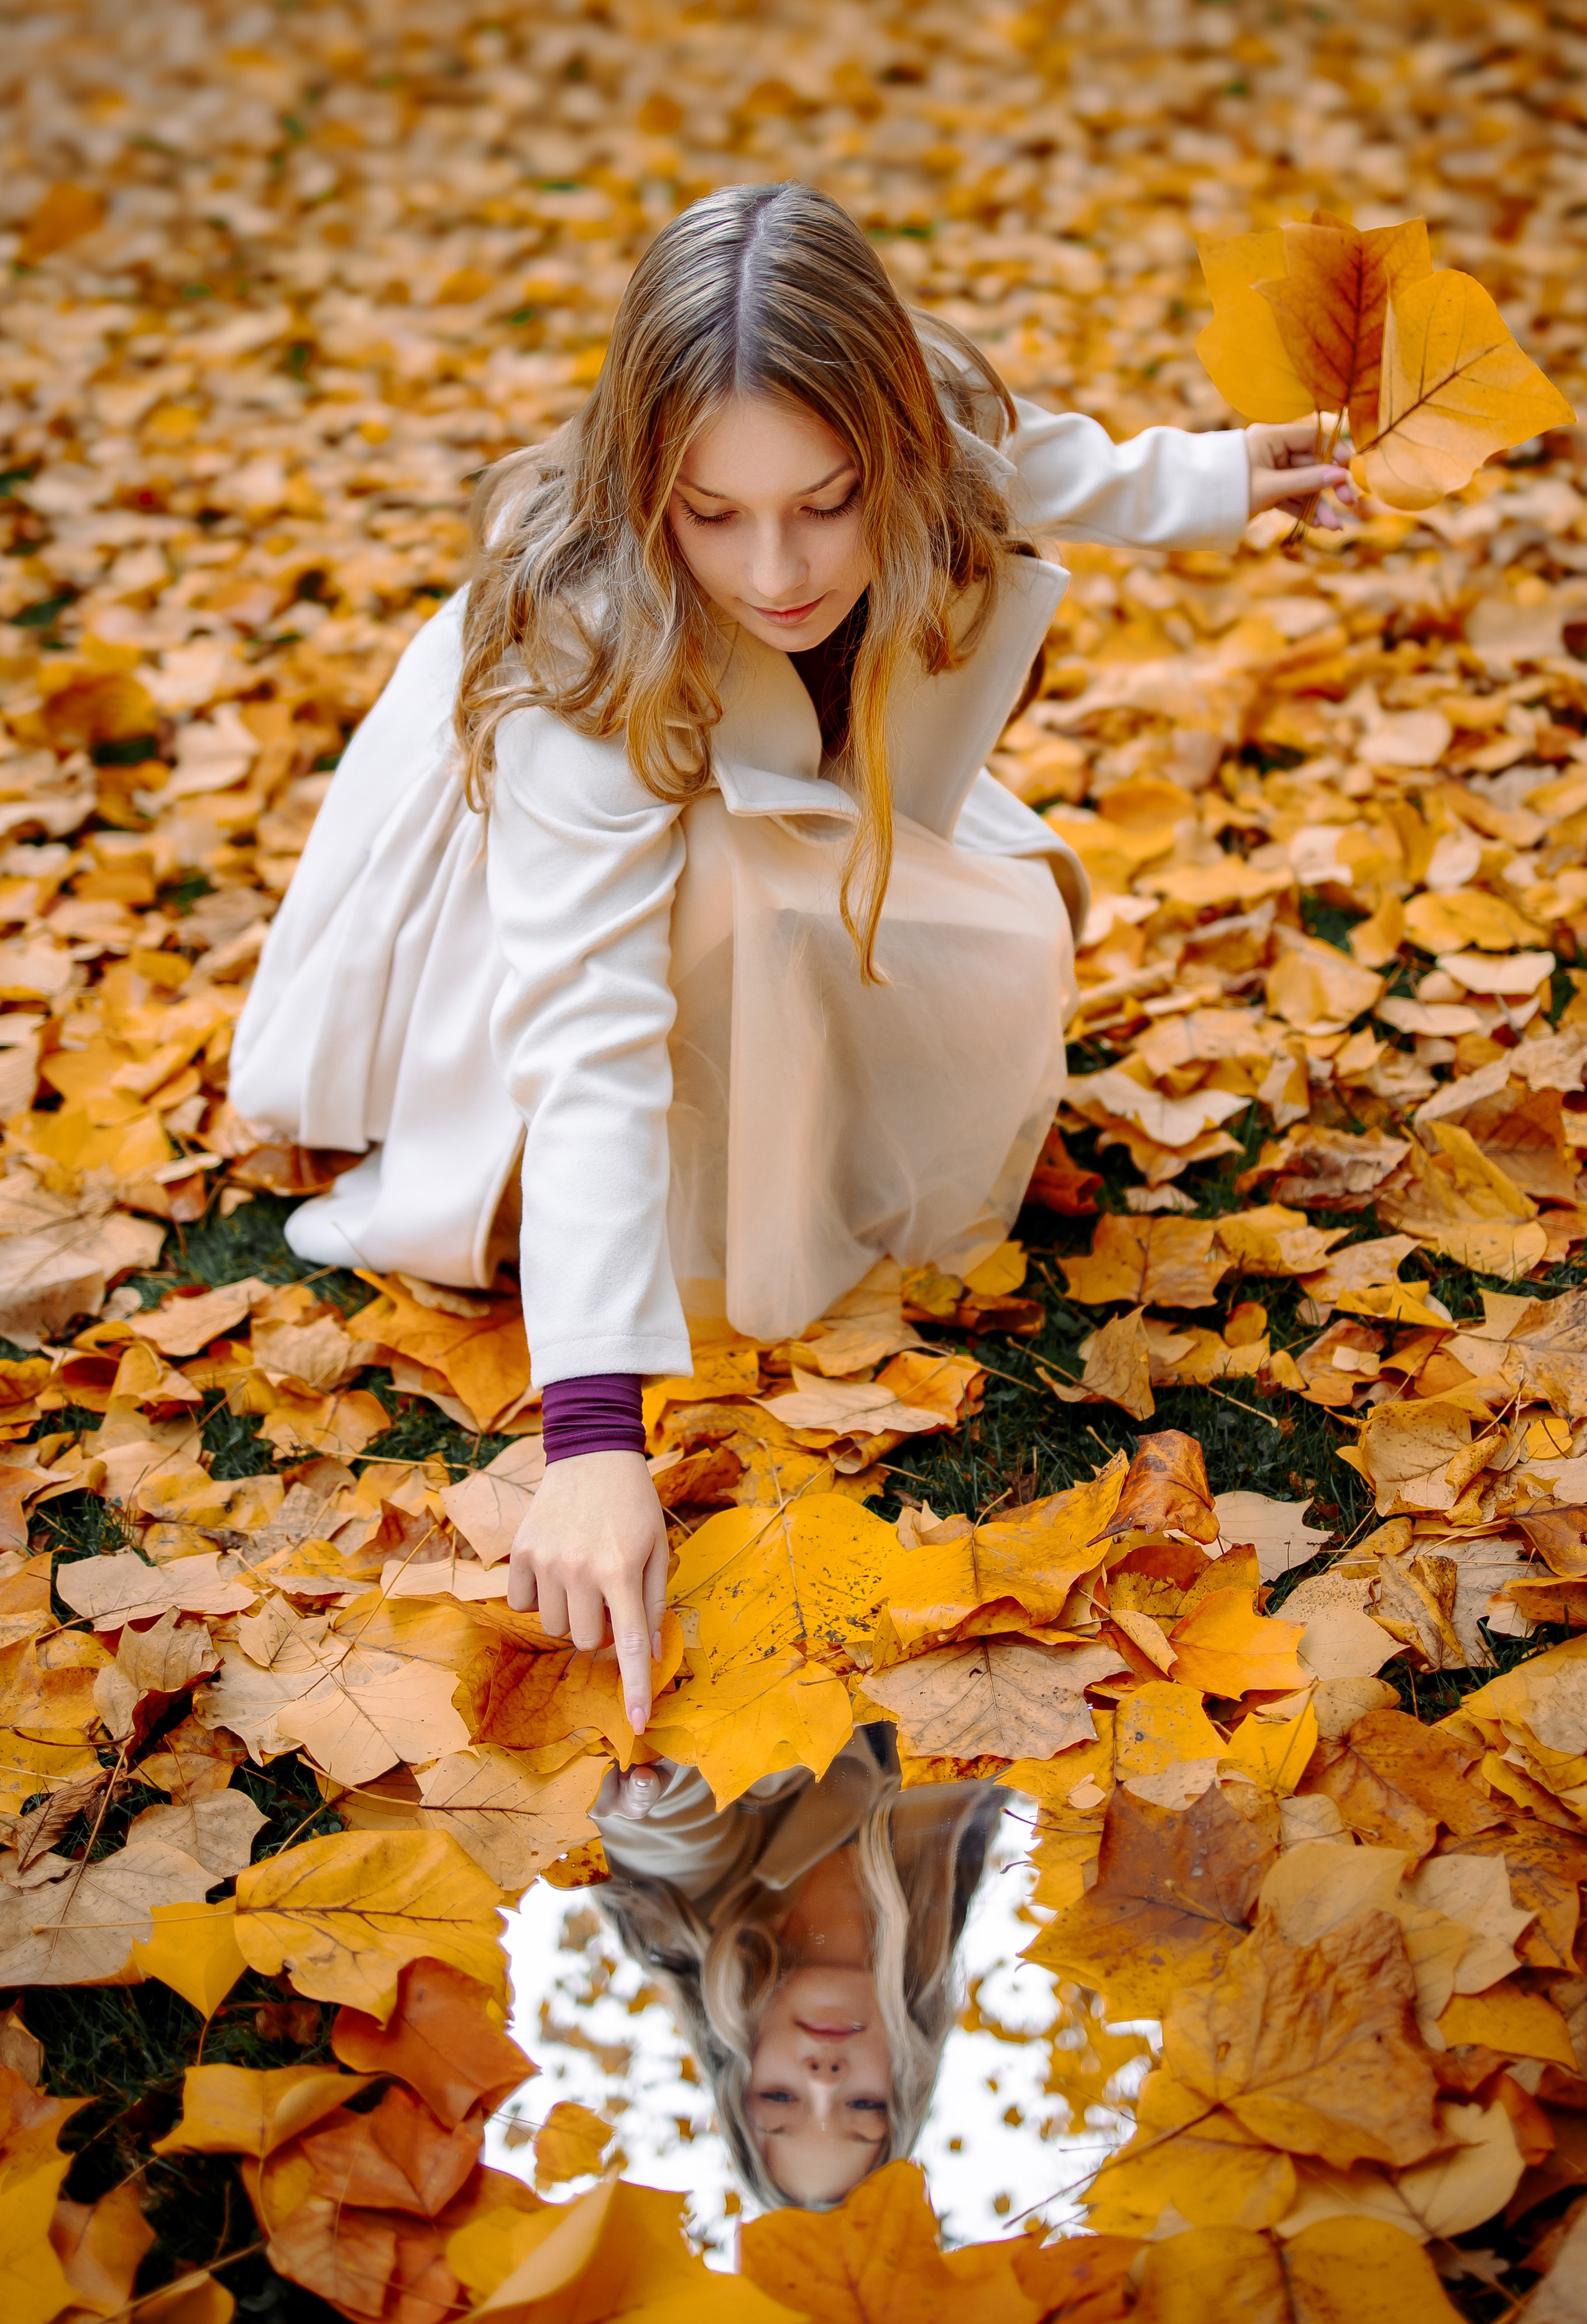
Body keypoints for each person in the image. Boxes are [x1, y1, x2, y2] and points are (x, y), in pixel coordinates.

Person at [229, 181, 1350, 1732]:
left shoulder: (932, 438)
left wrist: (1218, 478)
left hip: (793, 799)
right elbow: (589, 1039)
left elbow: (1021, 463)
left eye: (827, 500)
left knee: (903, 923)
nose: (776, 570)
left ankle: (814, 1071)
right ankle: (720, 1192)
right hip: (607, 847)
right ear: (647, 485)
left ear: (883, 444)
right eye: (714, 510)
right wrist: (596, 1437)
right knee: (737, 912)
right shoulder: (582, 655)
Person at [590, 1727, 1005, 2210]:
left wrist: (652, 1779)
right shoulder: (957, 1841)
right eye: (863, 2106)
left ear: (740, 2070)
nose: (824, 2079)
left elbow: (669, 1817)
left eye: (780, 2099)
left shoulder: (681, 1905)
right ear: (906, 2076)